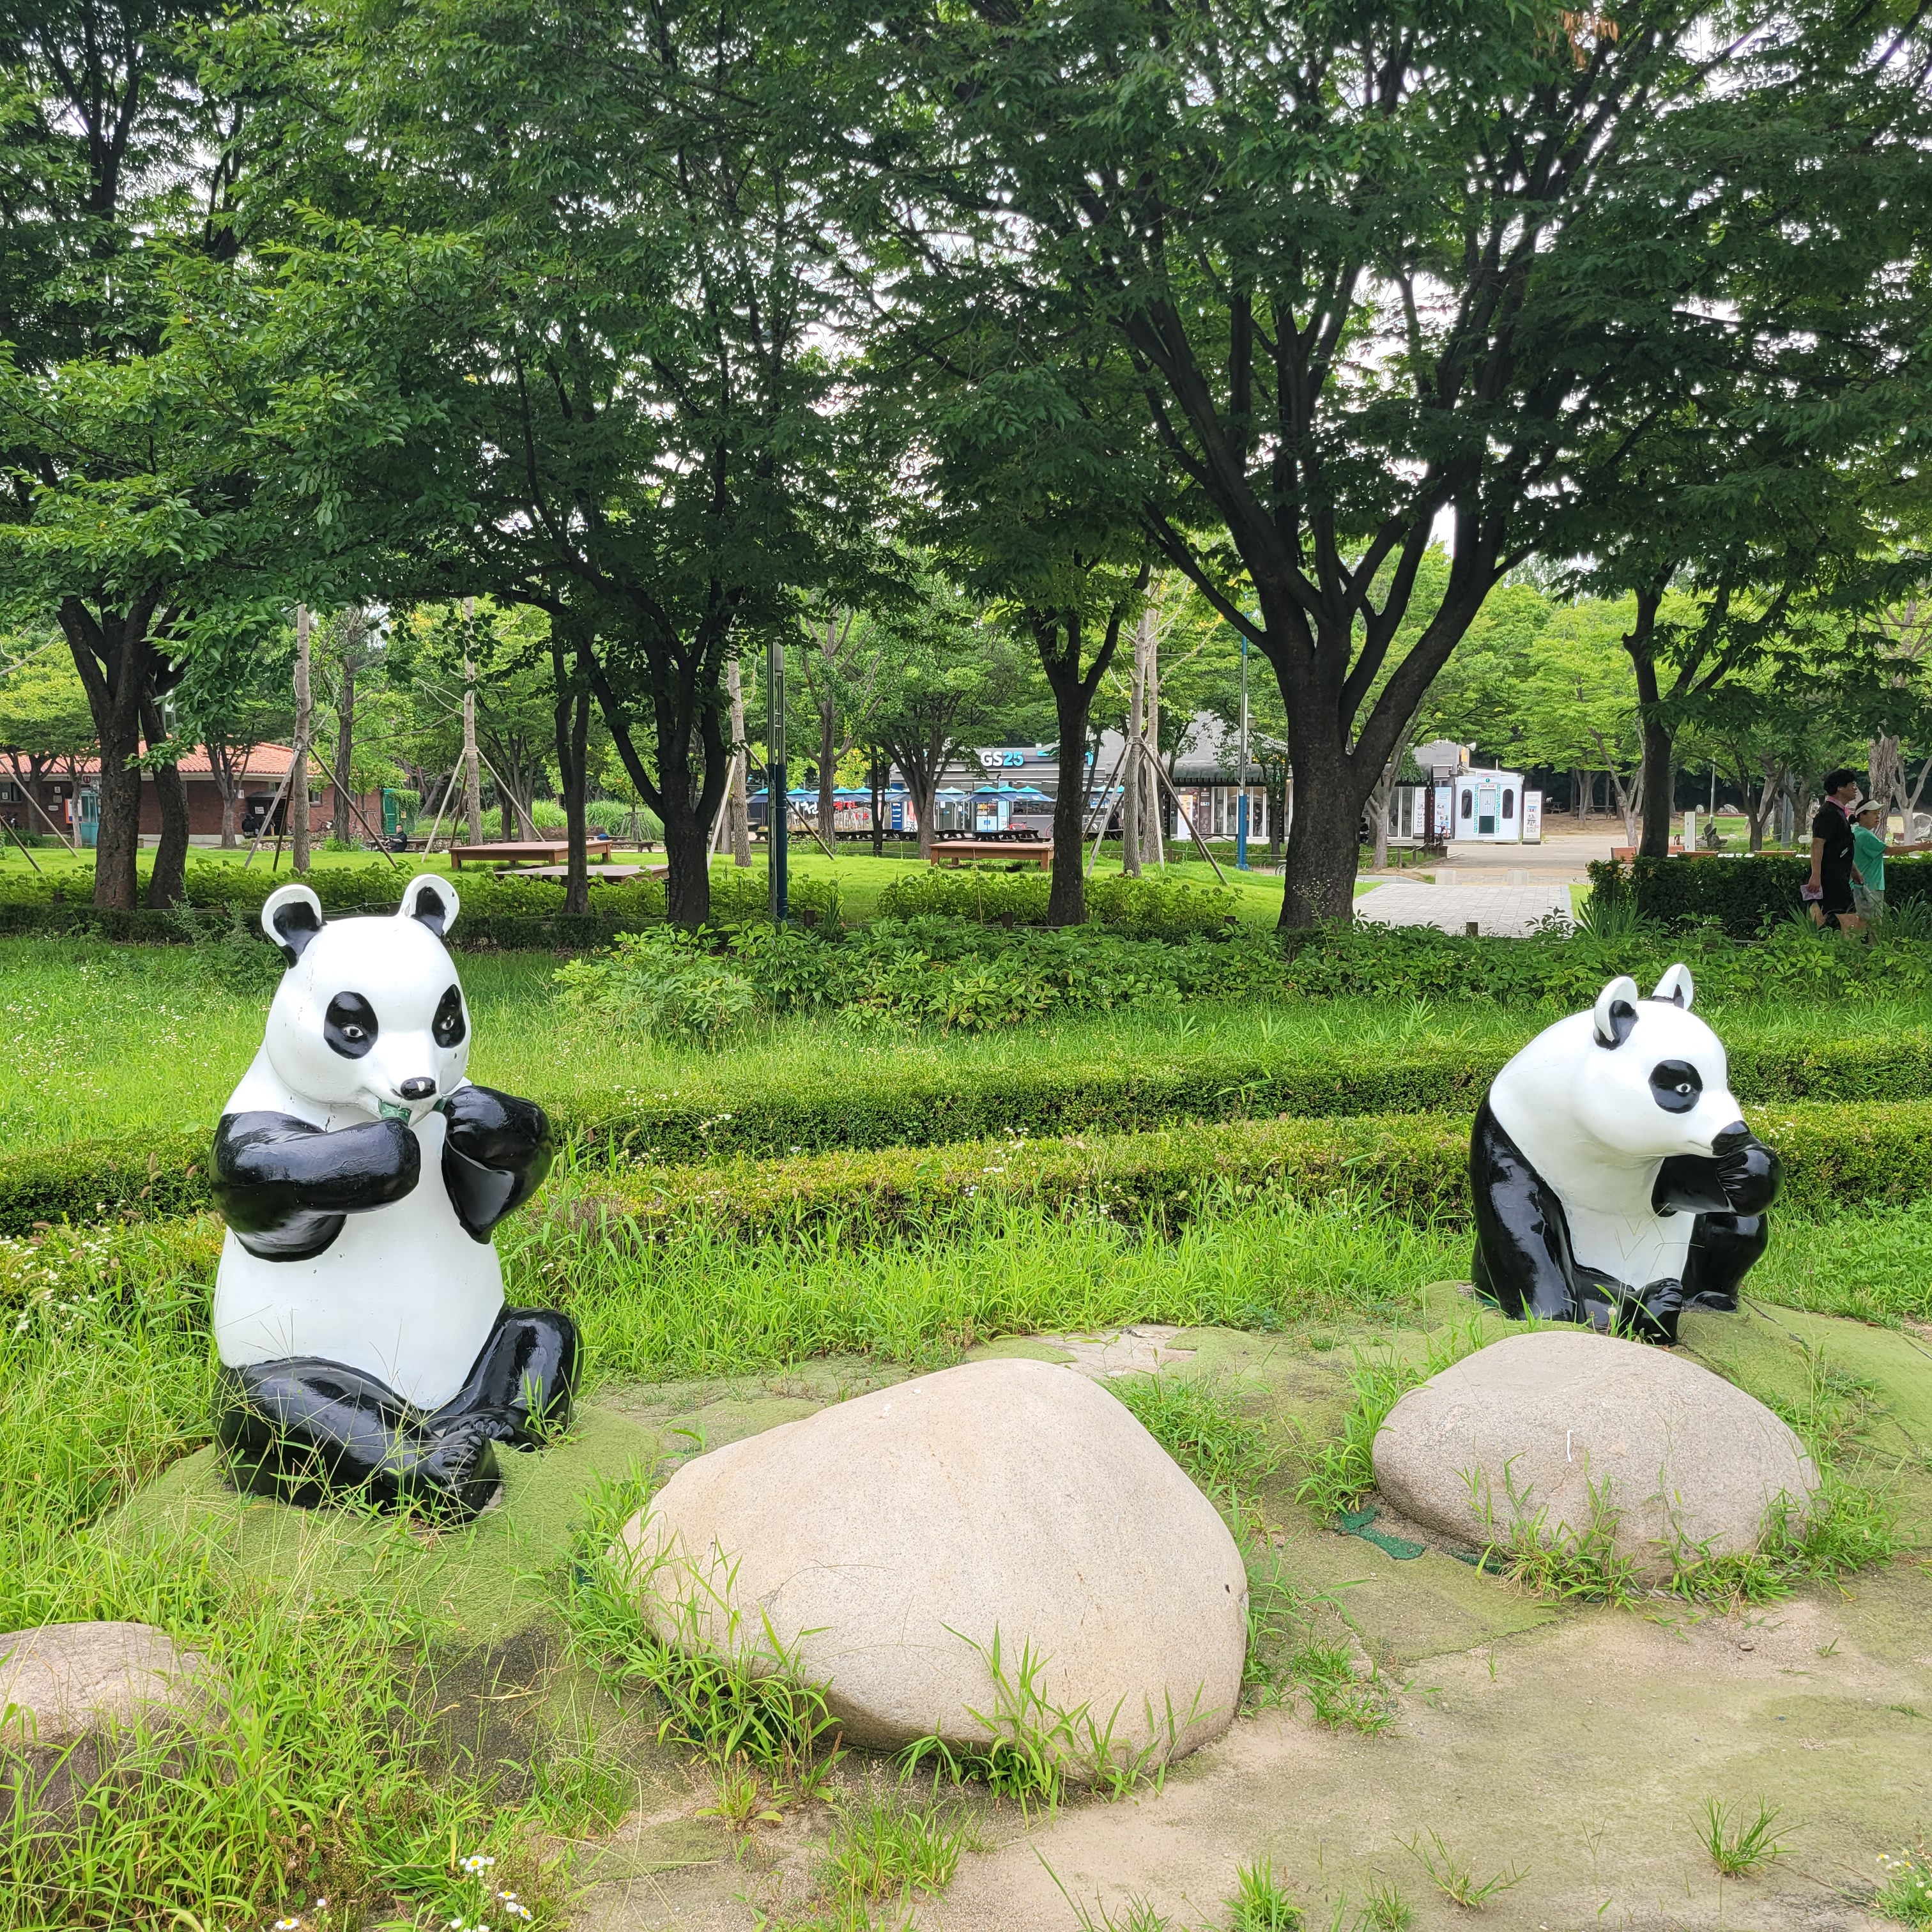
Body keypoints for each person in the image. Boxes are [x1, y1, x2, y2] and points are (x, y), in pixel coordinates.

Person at [1804, 768, 1864, 933]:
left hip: (1836, 876)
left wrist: (1854, 870)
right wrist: (1816, 876)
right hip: (1830, 878)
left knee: (1820, 919)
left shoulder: (1838, 812)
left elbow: (1840, 847)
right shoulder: (1828, 813)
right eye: (1852, 784)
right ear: (1840, 788)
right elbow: (1817, 844)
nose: (1855, 788)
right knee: (1850, 922)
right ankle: (1848, 949)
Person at [1851, 797, 1888, 928]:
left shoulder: (1857, 832)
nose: (1878, 817)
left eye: (1878, 814)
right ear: (1862, 815)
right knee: (1874, 926)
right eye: (1874, 813)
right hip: (1869, 886)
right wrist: (1920, 847)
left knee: (1862, 924)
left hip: (1863, 886)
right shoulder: (1864, 835)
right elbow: (1890, 850)